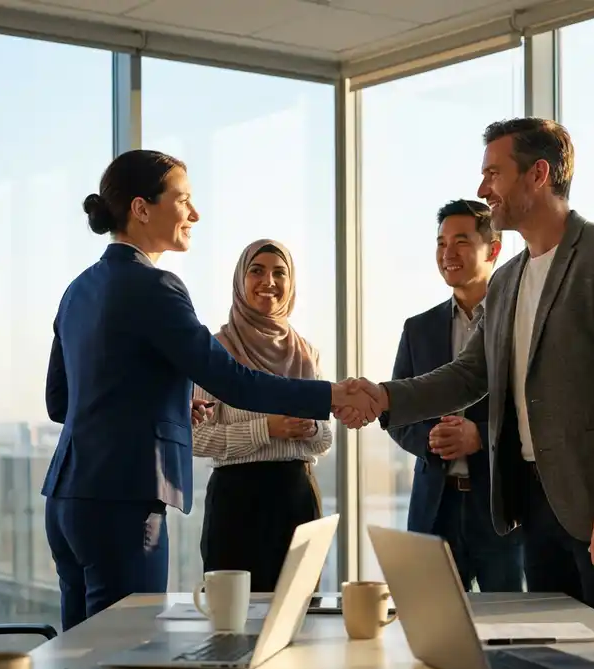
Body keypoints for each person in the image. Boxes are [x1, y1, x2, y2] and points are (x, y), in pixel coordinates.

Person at [352, 118, 594, 639]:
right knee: (558, 658)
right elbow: (470, 374)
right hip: (535, 507)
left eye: (493, 173)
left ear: (538, 175)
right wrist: (383, 397)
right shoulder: (508, 279)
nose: (484, 190)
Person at [41, 150, 376, 631]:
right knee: (127, 656)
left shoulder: (78, 288)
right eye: (183, 200)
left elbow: (60, 404)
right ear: (141, 208)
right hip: (123, 502)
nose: (194, 214)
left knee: (78, 659)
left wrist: (170, 406)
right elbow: (232, 381)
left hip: (66, 501)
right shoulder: (155, 286)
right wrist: (333, 396)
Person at [386, 199, 523, 592]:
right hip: (434, 510)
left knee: (510, 633)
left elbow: (539, 409)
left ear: (493, 249)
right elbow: (397, 411)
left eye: (461, 241)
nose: (448, 253)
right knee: (433, 632)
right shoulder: (418, 329)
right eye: (441, 242)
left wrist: (479, 435)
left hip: (502, 511)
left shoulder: (519, 322)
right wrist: (430, 439)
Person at [194, 239, 332, 592]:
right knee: (233, 622)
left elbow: (325, 439)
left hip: (298, 498)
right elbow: (196, 437)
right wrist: (266, 429)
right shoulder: (216, 350)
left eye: (279, 272)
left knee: (301, 618)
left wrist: (308, 428)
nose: (268, 281)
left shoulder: (306, 352)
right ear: (240, 280)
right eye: (257, 271)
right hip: (237, 502)